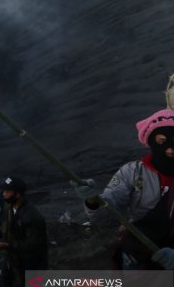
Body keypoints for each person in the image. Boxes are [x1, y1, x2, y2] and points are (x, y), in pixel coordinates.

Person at [72, 108, 174, 269]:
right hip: (137, 255)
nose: (169, 149)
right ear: (151, 141)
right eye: (162, 142)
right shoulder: (132, 172)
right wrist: (93, 200)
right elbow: (107, 215)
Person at [0, 176, 48, 287]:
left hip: (29, 262)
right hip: (13, 257)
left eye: (7, 191)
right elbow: (6, 224)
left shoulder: (32, 216)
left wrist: (7, 244)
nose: (3, 194)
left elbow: (33, 246)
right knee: (7, 277)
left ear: (17, 194)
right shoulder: (9, 207)